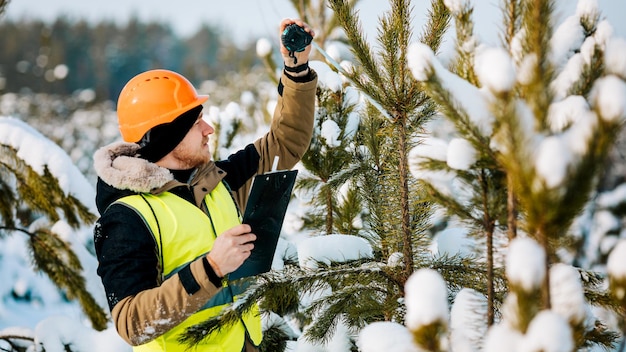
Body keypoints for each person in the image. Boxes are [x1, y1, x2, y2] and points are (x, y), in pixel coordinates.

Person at [92, 18, 317, 352]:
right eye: (197, 123)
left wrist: (296, 69)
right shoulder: (126, 219)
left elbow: (284, 142)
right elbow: (131, 323)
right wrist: (211, 268)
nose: (209, 129)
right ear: (166, 136)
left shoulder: (217, 182)